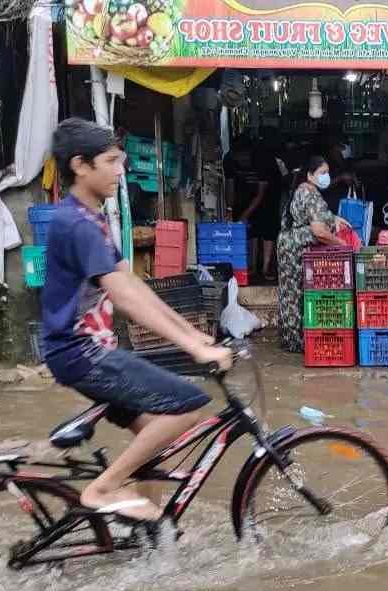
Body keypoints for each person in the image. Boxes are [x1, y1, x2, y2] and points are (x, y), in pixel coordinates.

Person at [41, 118, 232, 522]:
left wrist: (194, 333)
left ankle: (148, 530)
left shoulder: (90, 217)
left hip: (90, 351)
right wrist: (194, 347)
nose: (120, 170)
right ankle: (104, 489)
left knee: (162, 437)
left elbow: (135, 284)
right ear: (81, 165)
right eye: (110, 161)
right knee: (187, 405)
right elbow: (124, 296)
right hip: (80, 353)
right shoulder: (77, 225)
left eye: (120, 160)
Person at [277, 155, 349, 353]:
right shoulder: (311, 194)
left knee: (290, 292)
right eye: (322, 173)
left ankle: (290, 338)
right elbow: (318, 231)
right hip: (297, 250)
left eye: (328, 172)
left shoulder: (302, 189)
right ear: (310, 175)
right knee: (298, 294)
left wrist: (333, 218)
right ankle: (298, 341)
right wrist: (341, 243)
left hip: (288, 246)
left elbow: (308, 217)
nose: (326, 176)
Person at [227, 133, 284, 283]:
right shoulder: (229, 159)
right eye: (238, 157)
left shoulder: (263, 160)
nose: (241, 160)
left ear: (249, 152)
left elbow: (261, 194)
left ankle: (265, 267)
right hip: (247, 193)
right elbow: (230, 187)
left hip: (270, 193)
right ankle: (251, 265)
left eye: (243, 157)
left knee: (267, 228)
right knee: (251, 230)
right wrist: (230, 209)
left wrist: (244, 216)